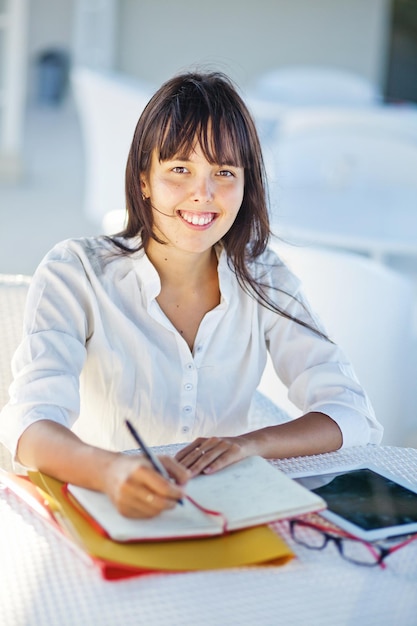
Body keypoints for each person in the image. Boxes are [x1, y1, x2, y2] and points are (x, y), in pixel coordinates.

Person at [0, 71, 382, 519]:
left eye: (224, 172)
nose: (203, 194)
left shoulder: (264, 277)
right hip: (107, 507)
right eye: (180, 169)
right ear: (144, 179)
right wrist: (111, 472)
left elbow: (354, 415)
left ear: (246, 185)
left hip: (226, 512)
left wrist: (250, 444)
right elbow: (28, 426)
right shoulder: (76, 271)